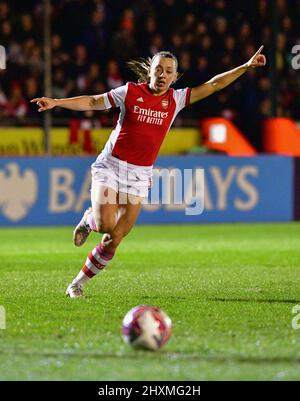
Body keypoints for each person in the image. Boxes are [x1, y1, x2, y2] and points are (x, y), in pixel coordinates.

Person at [31, 47, 266, 298]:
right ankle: (90, 220)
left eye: (168, 71)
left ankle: (76, 284)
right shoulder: (130, 92)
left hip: (140, 174)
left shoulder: (175, 100)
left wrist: (245, 66)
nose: (162, 75)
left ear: (175, 77)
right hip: (112, 166)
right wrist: (57, 102)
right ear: (149, 71)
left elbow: (213, 85)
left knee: (116, 237)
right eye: (158, 69)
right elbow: (93, 101)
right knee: (105, 224)